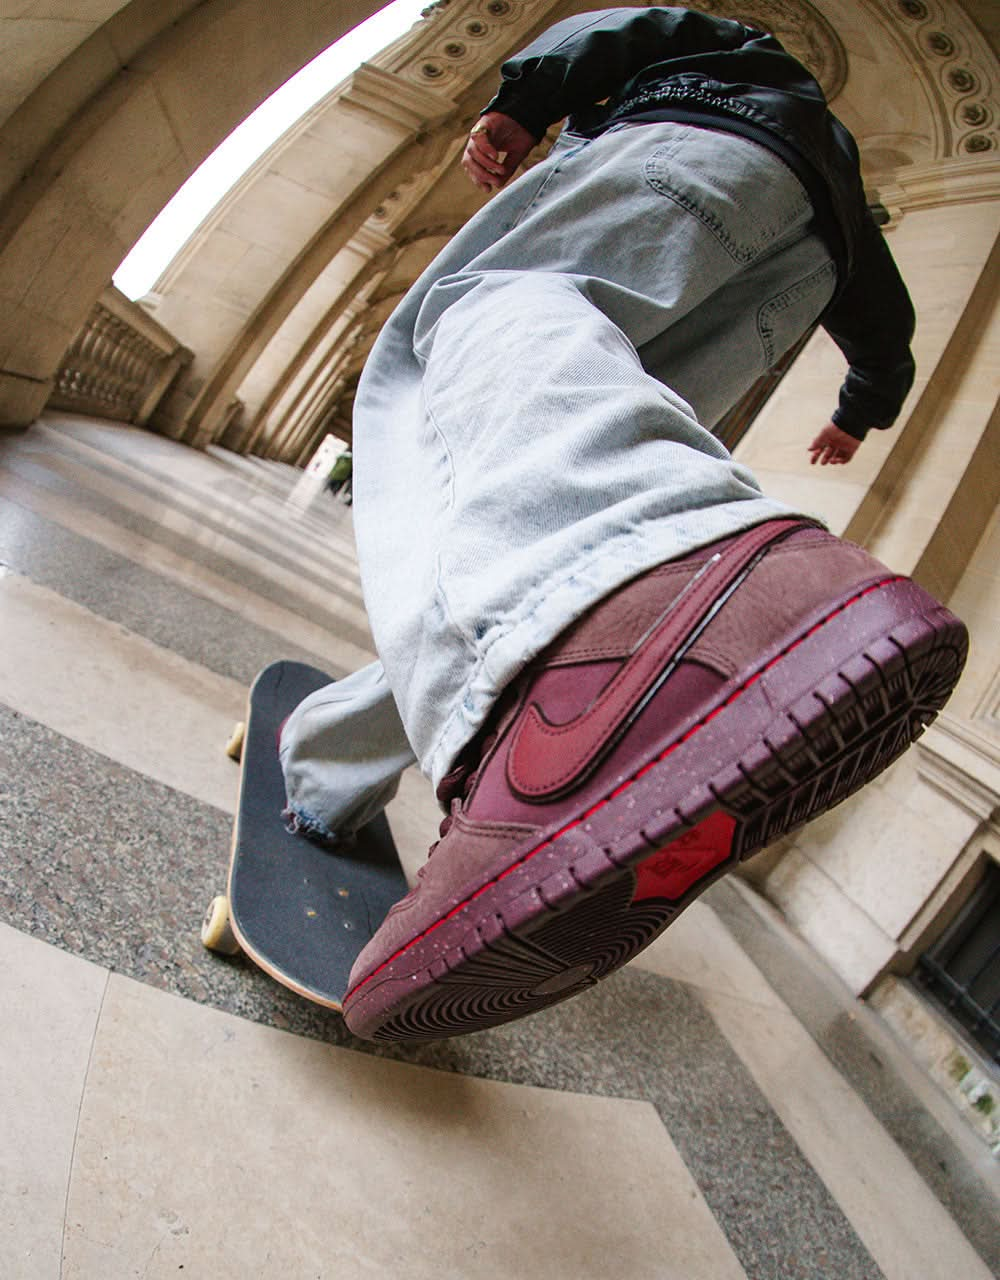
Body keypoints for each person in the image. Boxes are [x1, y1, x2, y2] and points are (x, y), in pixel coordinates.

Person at [278, 7, 968, 1042]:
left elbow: (631, 26)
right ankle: (402, 762)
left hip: (691, 158)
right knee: (550, 544)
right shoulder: (836, 176)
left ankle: (719, 597)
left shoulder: (737, 55)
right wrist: (857, 405)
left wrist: (524, 100)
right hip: (797, 276)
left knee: (486, 310)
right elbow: (889, 327)